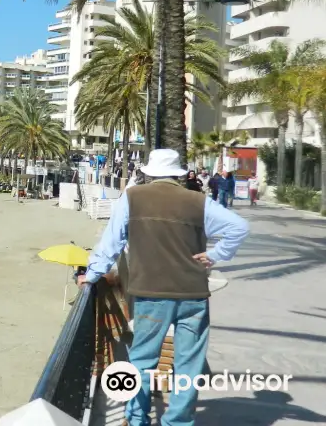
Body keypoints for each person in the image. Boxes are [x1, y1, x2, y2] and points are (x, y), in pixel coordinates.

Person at [78, 149, 249, 426]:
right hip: (193, 293)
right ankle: (178, 422)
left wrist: (93, 274)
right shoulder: (198, 201)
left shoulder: (133, 198)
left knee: (142, 362)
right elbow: (239, 227)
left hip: (151, 294)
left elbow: (112, 243)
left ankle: (137, 420)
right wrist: (217, 255)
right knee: (188, 366)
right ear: (178, 173)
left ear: (148, 172)